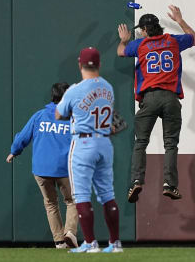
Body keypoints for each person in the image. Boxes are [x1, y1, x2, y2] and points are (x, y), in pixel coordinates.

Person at [117, 5, 195, 203]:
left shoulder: (141, 45)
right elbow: (194, 38)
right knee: (171, 144)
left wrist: (124, 40)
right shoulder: (173, 41)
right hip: (171, 98)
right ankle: (170, 185)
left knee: (140, 142)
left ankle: (137, 180)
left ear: (144, 30)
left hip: (150, 98)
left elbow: (121, 52)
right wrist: (180, 20)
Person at [55, 47, 123, 253]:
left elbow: (59, 114)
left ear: (79, 64)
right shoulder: (108, 87)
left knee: (82, 195)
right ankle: (115, 243)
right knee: (108, 194)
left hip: (83, 143)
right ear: (99, 64)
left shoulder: (75, 90)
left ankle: (91, 243)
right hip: (104, 142)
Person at [6, 82, 79, 249]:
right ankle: (70, 233)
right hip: (64, 169)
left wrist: (14, 151)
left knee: (51, 203)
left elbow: (23, 137)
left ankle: (59, 241)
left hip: (41, 169)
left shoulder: (39, 116)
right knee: (73, 201)